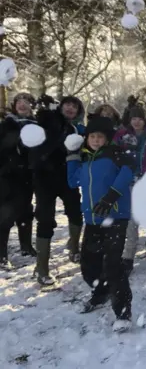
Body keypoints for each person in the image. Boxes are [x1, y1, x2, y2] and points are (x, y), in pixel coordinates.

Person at [66, 116, 134, 332]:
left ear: (106, 139)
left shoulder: (114, 155)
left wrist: (111, 196)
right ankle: (101, 292)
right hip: (93, 220)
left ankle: (123, 313)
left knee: (114, 266)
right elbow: (72, 181)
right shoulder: (85, 160)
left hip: (115, 217)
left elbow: (128, 172)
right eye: (92, 136)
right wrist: (72, 155)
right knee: (88, 265)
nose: (95, 140)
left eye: (99, 137)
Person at [30, 95, 86, 285]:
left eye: (75, 106)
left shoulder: (75, 129)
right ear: (60, 107)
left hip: (66, 177)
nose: (70, 108)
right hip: (44, 177)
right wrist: (44, 108)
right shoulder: (50, 119)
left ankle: (74, 247)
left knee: (76, 213)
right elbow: (43, 118)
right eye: (67, 105)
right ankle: (42, 268)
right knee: (45, 220)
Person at [114, 104, 146, 275]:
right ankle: (128, 258)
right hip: (128, 182)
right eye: (133, 118)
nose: (136, 122)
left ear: (144, 120)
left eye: (140, 119)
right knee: (132, 221)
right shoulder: (123, 135)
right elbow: (115, 153)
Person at [0, 93, 37, 268]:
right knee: (6, 214)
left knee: (25, 210)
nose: (22, 105)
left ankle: (26, 246)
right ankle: (1, 255)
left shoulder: (36, 124)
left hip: (28, 175)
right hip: (8, 175)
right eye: (19, 102)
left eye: (26, 102)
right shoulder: (6, 123)